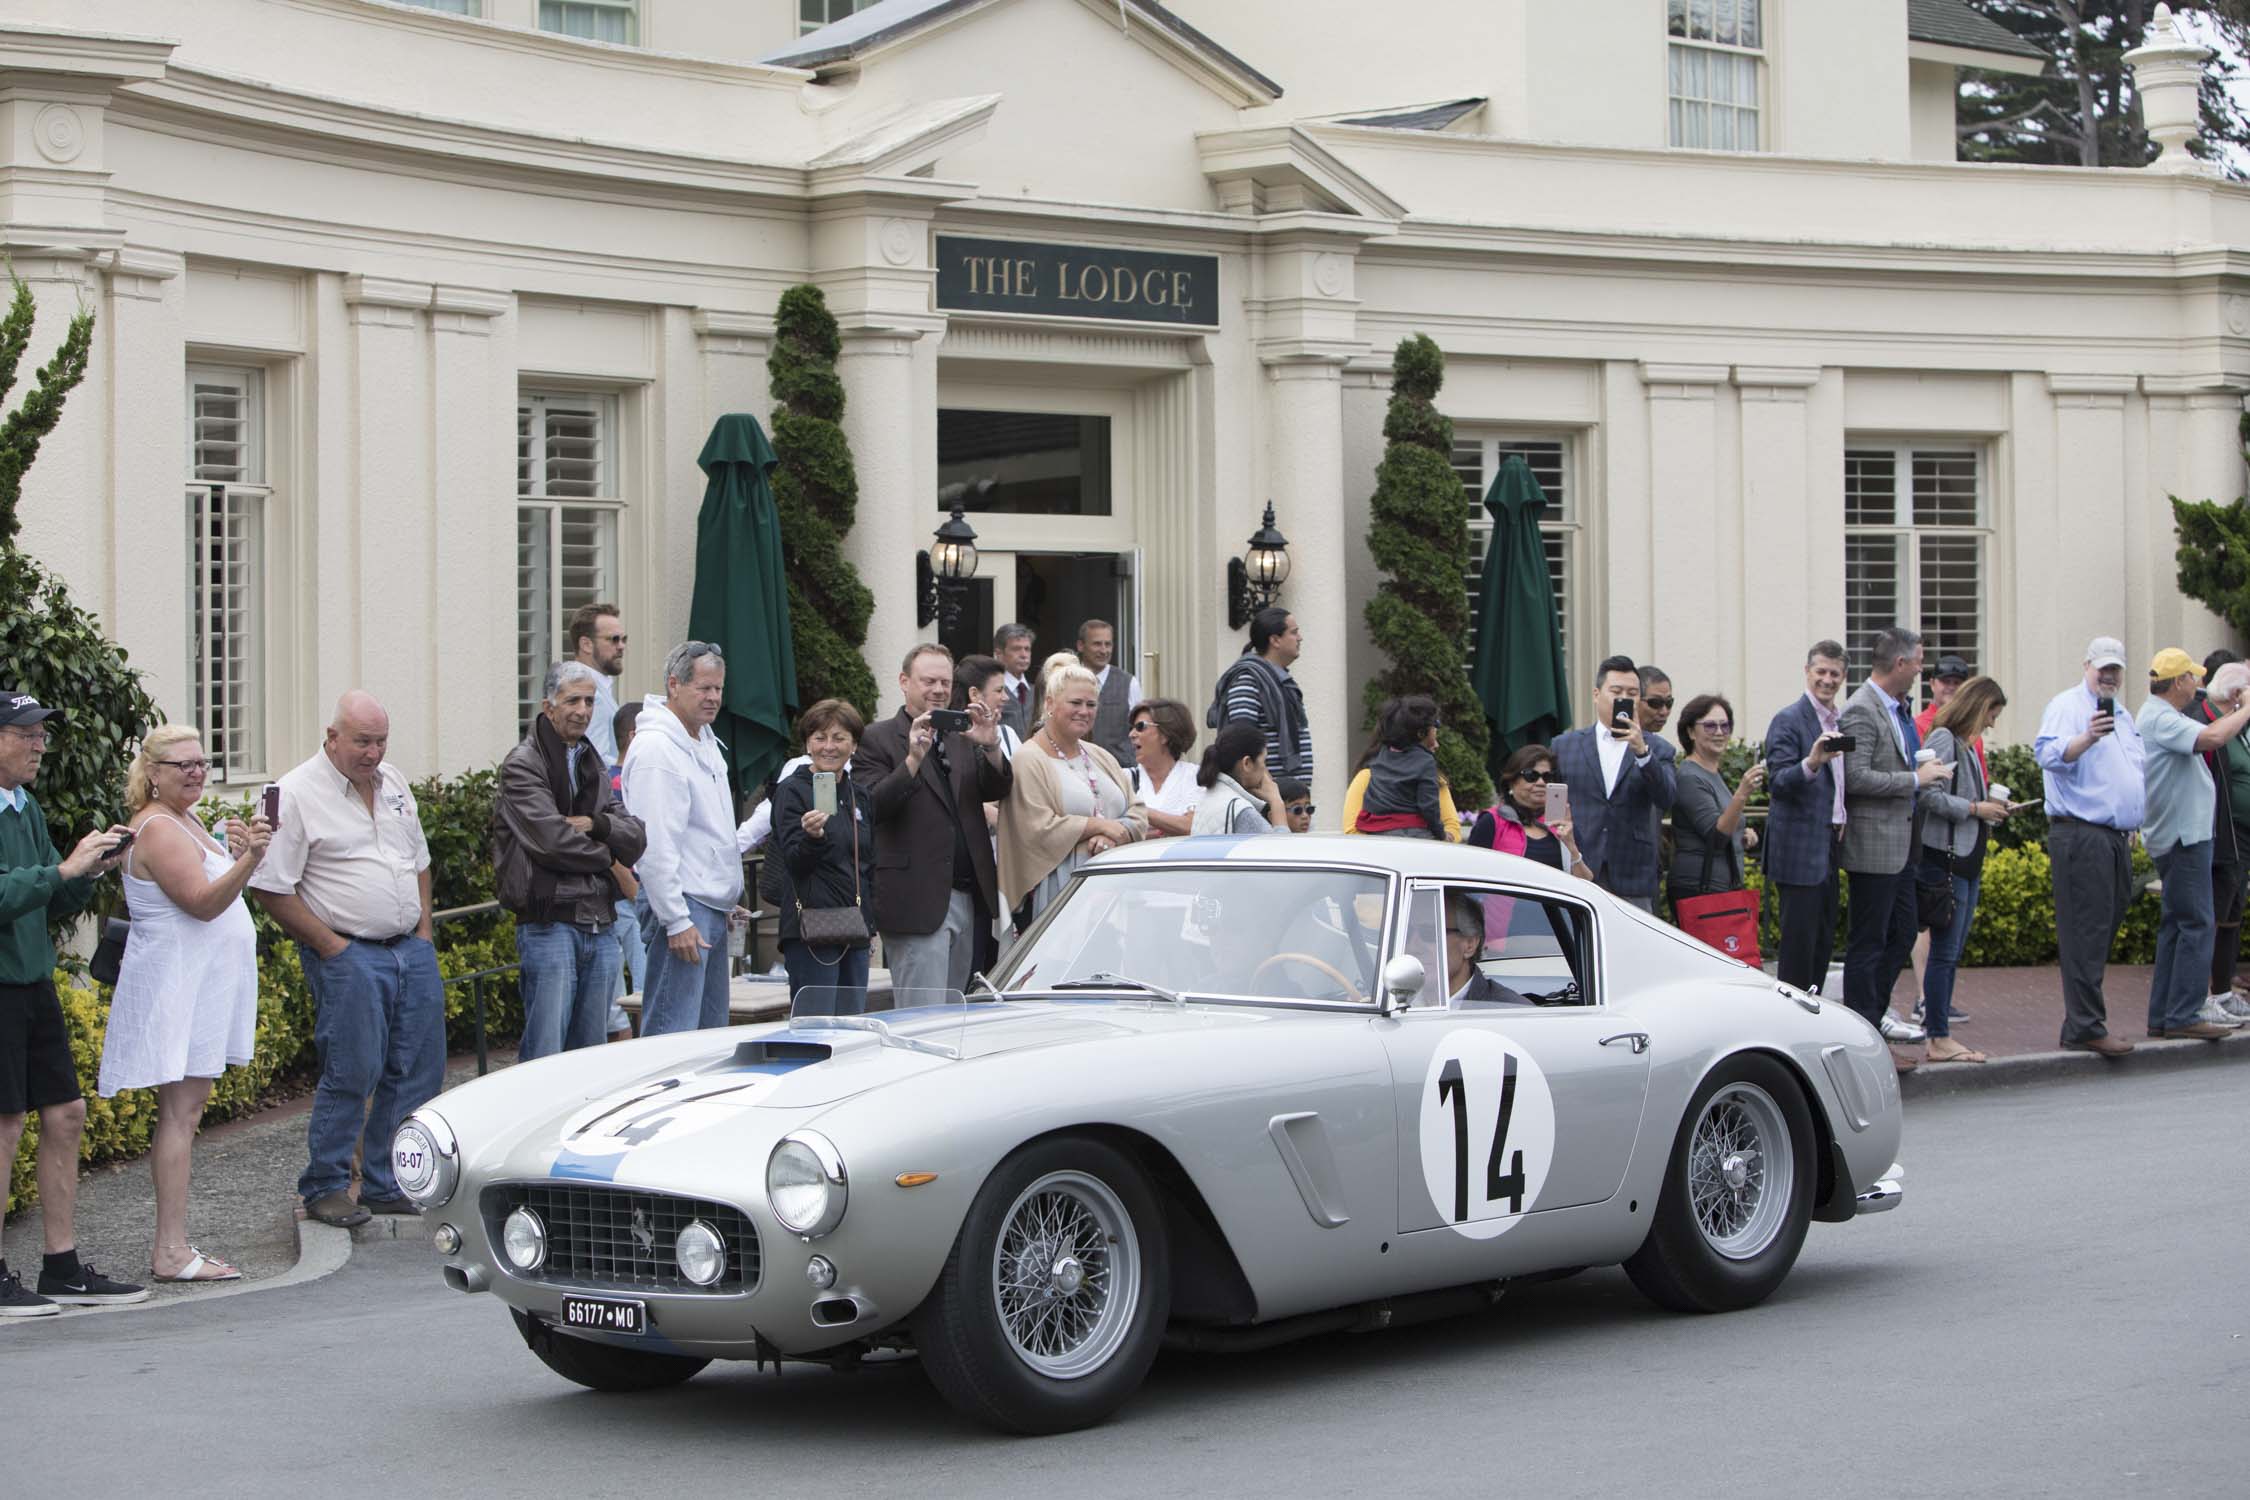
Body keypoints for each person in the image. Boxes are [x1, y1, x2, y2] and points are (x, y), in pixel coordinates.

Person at [249, 691, 445, 1230]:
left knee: (417, 1070)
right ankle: (327, 1185)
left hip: (409, 947)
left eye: (381, 741)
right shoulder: (291, 792)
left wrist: (424, 931)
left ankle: (389, 1182)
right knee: (352, 1070)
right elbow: (270, 887)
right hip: (349, 951)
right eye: (362, 741)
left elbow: (419, 861)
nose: (373, 752)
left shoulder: (395, 783)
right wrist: (332, 947)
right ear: (331, 737)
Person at [100, 726, 270, 1283]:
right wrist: (252, 863)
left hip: (197, 985)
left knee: (186, 1114)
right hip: (178, 986)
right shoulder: (158, 828)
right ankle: (170, 1250)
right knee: (179, 1115)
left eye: (203, 762)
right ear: (152, 772)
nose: (197, 773)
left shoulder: (186, 820)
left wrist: (237, 853)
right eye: (183, 766)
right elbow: (201, 904)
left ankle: (174, 1245)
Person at [0, 690, 144, 1315]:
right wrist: (59, 874)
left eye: (40, 734)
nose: (38, 744)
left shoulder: (23, 804)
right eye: (26, 733)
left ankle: (60, 1266)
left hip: (31, 984)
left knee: (65, 1113)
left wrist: (85, 871)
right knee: (4, 1124)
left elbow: (44, 902)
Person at [494, 661, 647, 1060]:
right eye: (572, 700)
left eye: (590, 701)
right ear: (548, 706)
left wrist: (595, 825)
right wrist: (608, 852)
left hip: (599, 920)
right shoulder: (522, 763)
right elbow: (553, 842)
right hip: (550, 922)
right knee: (545, 1055)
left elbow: (636, 835)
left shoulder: (592, 760)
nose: (583, 710)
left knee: (591, 1057)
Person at [859, 643, 1011, 996]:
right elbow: (872, 808)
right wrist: (912, 759)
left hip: (969, 896)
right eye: (929, 681)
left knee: (956, 1018)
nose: (939, 690)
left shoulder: (962, 736)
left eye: (945, 682)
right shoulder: (877, 738)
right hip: (917, 899)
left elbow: (997, 788)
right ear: (904, 681)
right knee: (921, 1018)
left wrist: (990, 746)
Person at [1837, 627, 1953, 1072]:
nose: (1923, 668)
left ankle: (1872, 1021)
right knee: (1869, 942)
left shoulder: (1898, 709)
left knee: (1904, 932)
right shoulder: (1861, 710)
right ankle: (1862, 1036)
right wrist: (1913, 780)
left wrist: (1921, 768)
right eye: (1919, 661)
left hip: (1903, 846)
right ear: (1901, 663)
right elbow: (1857, 776)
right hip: (1873, 847)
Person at [620, 642, 744, 1037]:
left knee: (708, 1039)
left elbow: (710, 829)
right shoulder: (658, 748)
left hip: (706, 904)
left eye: (718, 689)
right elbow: (654, 846)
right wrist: (675, 920)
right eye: (703, 688)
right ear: (674, 685)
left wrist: (725, 894)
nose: (713, 698)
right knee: (673, 1038)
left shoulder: (704, 739)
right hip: (684, 908)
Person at [2034, 637, 2146, 1056]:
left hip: (2113, 838)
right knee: (2086, 931)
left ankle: (2082, 1022)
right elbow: (2046, 754)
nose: (2110, 675)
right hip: (2082, 834)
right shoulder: (2068, 706)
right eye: (2103, 668)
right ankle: (2085, 1026)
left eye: (2116, 668)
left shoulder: (2123, 713)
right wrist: (2086, 739)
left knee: (2102, 927)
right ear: (2087, 666)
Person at [2137, 648, 2250, 1040]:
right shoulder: (2161, 717)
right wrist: (2248, 708)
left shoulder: (2163, 715)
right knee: (2198, 923)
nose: (2198, 685)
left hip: (2185, 834)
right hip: (2183, 837)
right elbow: (2215, 737)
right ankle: (2184, 1013)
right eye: (2193, 678)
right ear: (2179, 681)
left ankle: (2164, 1014)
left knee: (2176, 925)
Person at [1001, 655, 1148, 917]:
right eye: (1075, 703)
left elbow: (1137, 811)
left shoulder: (1099, 756)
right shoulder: (1029, 759)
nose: (1084, 711)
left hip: (1117, 890)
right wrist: (1098, 825)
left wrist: (1111, 835)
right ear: (1049, 704)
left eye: (1091, 704)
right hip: (1063, 893)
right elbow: (1035, 829)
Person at [1917, 677, 2011, 1063]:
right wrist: (1976, 809)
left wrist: (1989, 808)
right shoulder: (1944, 739)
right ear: (1978, 706)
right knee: (1945, 951)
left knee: (1951, 952)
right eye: (1991, 713)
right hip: (1946, 860)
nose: (1992, 723)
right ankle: (1937, 1036)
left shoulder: (1967, 746)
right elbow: (1929, 796)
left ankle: (1941, 1035)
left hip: (1965, 859)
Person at [768, 700, 875, 1015]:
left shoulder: (860, 795)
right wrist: (812, 838)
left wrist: (870, 924)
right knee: (815, 1030)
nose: (829, 746)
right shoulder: (792, 791)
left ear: (854, 744)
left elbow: (868, 863)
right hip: (810, 929)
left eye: (839, 738)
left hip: (854, 928)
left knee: (852, 1029)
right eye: (819, 737)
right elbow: (793, 861)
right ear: (807, 744)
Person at [1547, 655, 1677, 909]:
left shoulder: (1658, 748)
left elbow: (1667, 798)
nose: (1624, 699)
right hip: (1579, 865)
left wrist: (1643, 753)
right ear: (1597, 694)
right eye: (1616, 691)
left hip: (1633, 871)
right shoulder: (1564, 746)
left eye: (1632, 693)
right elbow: (1552, 809)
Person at [1763, 642, 1850, 994]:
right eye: (1821, 672)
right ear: (1808, 672)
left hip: (1830, 845)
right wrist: (1811, 762)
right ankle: (1790, 1028)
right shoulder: (1788, 719)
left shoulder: (1840, 721)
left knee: (1822, 945)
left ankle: (1814, 1023)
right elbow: (1779, 782)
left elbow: (1841, 783)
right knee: (1798, 951)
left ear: (1844, 677)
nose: (1827, 680)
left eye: (1835, 674)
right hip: (1799, 852)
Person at [1668, 694, 1763, 908]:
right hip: (1699, 890)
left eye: (1725, 726)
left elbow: (1725, 823)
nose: (1719, 732)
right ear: (1691, 731)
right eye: (1710, 726)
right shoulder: (1690, 777)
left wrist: (1741, 834)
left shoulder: (1712, 773)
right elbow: (1716, 836)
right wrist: (1742, 793)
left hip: (1721, 888)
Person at [2198, 659, 2250, 1023]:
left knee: (2232, 914)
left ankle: (2224, 991)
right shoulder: (2207, 720)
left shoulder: (2239, 723)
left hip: (2242, 836)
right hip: (2224, 833)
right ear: (2236, 694)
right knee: (2215, 913)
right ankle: (2204, 994)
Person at [1216, 605, 1313, 787]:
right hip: (1268, 802)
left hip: (1289, 802)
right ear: (1275, 640)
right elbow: (1243, 744)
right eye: (1294, 632)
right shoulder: (1248, 681)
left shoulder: (1281, 682)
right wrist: (1271, 793)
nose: (1300, 638)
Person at [1468, 745, 1586, 878]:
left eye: (1547, 777)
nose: (1541, 782)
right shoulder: (1491, 821)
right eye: (1531, 776)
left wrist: (1571, 846)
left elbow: (1586, 882)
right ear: (1512, 782)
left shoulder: (1561, 823)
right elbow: (1471, 876)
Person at [1351, 695, 1448, 838]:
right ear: (1421, 733)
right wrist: (1441, 834)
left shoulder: (1382, 754)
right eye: (1436, 725)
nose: (1437, 730)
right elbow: (1429, 807)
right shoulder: (1425, 761)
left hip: (1375, 831)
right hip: (1411, 832)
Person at [605, 700, 643, 1041]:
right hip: (625, 898)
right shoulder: (610, 782)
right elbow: (607, 845)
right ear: (633, 736)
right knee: (628, 995)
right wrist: (632, 886)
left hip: (641, 896)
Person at [1189, 723, 1287, 836]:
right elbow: (1279, 850)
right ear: (1247, 763)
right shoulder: (1241, 811)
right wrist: (1276, 802)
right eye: (1264, 761)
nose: (1266, 770)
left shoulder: (1210, 796)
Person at [1126, 697, 1201, 836]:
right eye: (1131, 728)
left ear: (1165, 734)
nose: (1131, 734)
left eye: (1140, 727)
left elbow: (1193, 826)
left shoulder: (1194, 776)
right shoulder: (1124, 778)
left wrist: (1138, 811)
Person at [1443, 894, 1532, 1007]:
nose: (1414, 945)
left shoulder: (1512, 1012)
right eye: (1411, 932)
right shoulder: (1414, 1001)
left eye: (1429, 933)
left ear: (1470, 944)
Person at [567, 601, 628, 765]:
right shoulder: (587, 694)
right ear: (586, 644)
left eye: (624, 639)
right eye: (614, 640)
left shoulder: (593, 686)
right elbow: (594, 759)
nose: (621, 646)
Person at [1078, 618, 1141, 766]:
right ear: (1081, 646)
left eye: (1108, 644)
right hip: (1077, 767)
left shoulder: (1129, 683)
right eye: (1097, 644)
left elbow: (1139, 730)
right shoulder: (1067, 679)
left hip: (1120, 769)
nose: (1104, 650)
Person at [994, 624, 1037, 740]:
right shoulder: (992, 692)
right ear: (999, 654)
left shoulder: (1038, 692)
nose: (1024, 655)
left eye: (1027, 649)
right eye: (1016, 649)